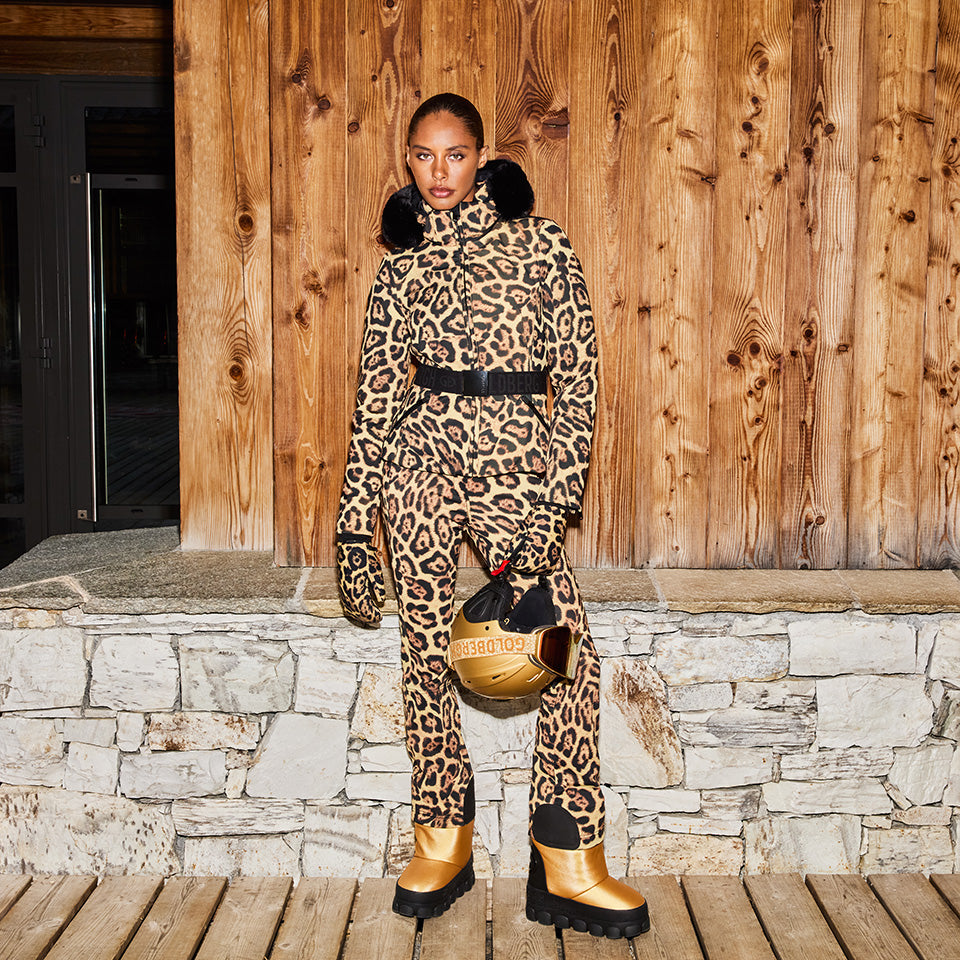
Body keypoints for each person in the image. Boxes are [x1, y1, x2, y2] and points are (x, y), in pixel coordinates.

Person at [335, 92, 648, 940]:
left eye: (456, 154)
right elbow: (373, 399)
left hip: (519, 455)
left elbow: (580, 382)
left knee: (566, 651)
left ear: (482, 157)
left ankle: (569, 857)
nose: (439, 173)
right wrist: (353, 522)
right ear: (409, 161)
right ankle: (443, 834)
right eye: (424, 156)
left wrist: (558, 498)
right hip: (419, 461)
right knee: (425, 646)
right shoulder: (398, 266)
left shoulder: (540, 242)